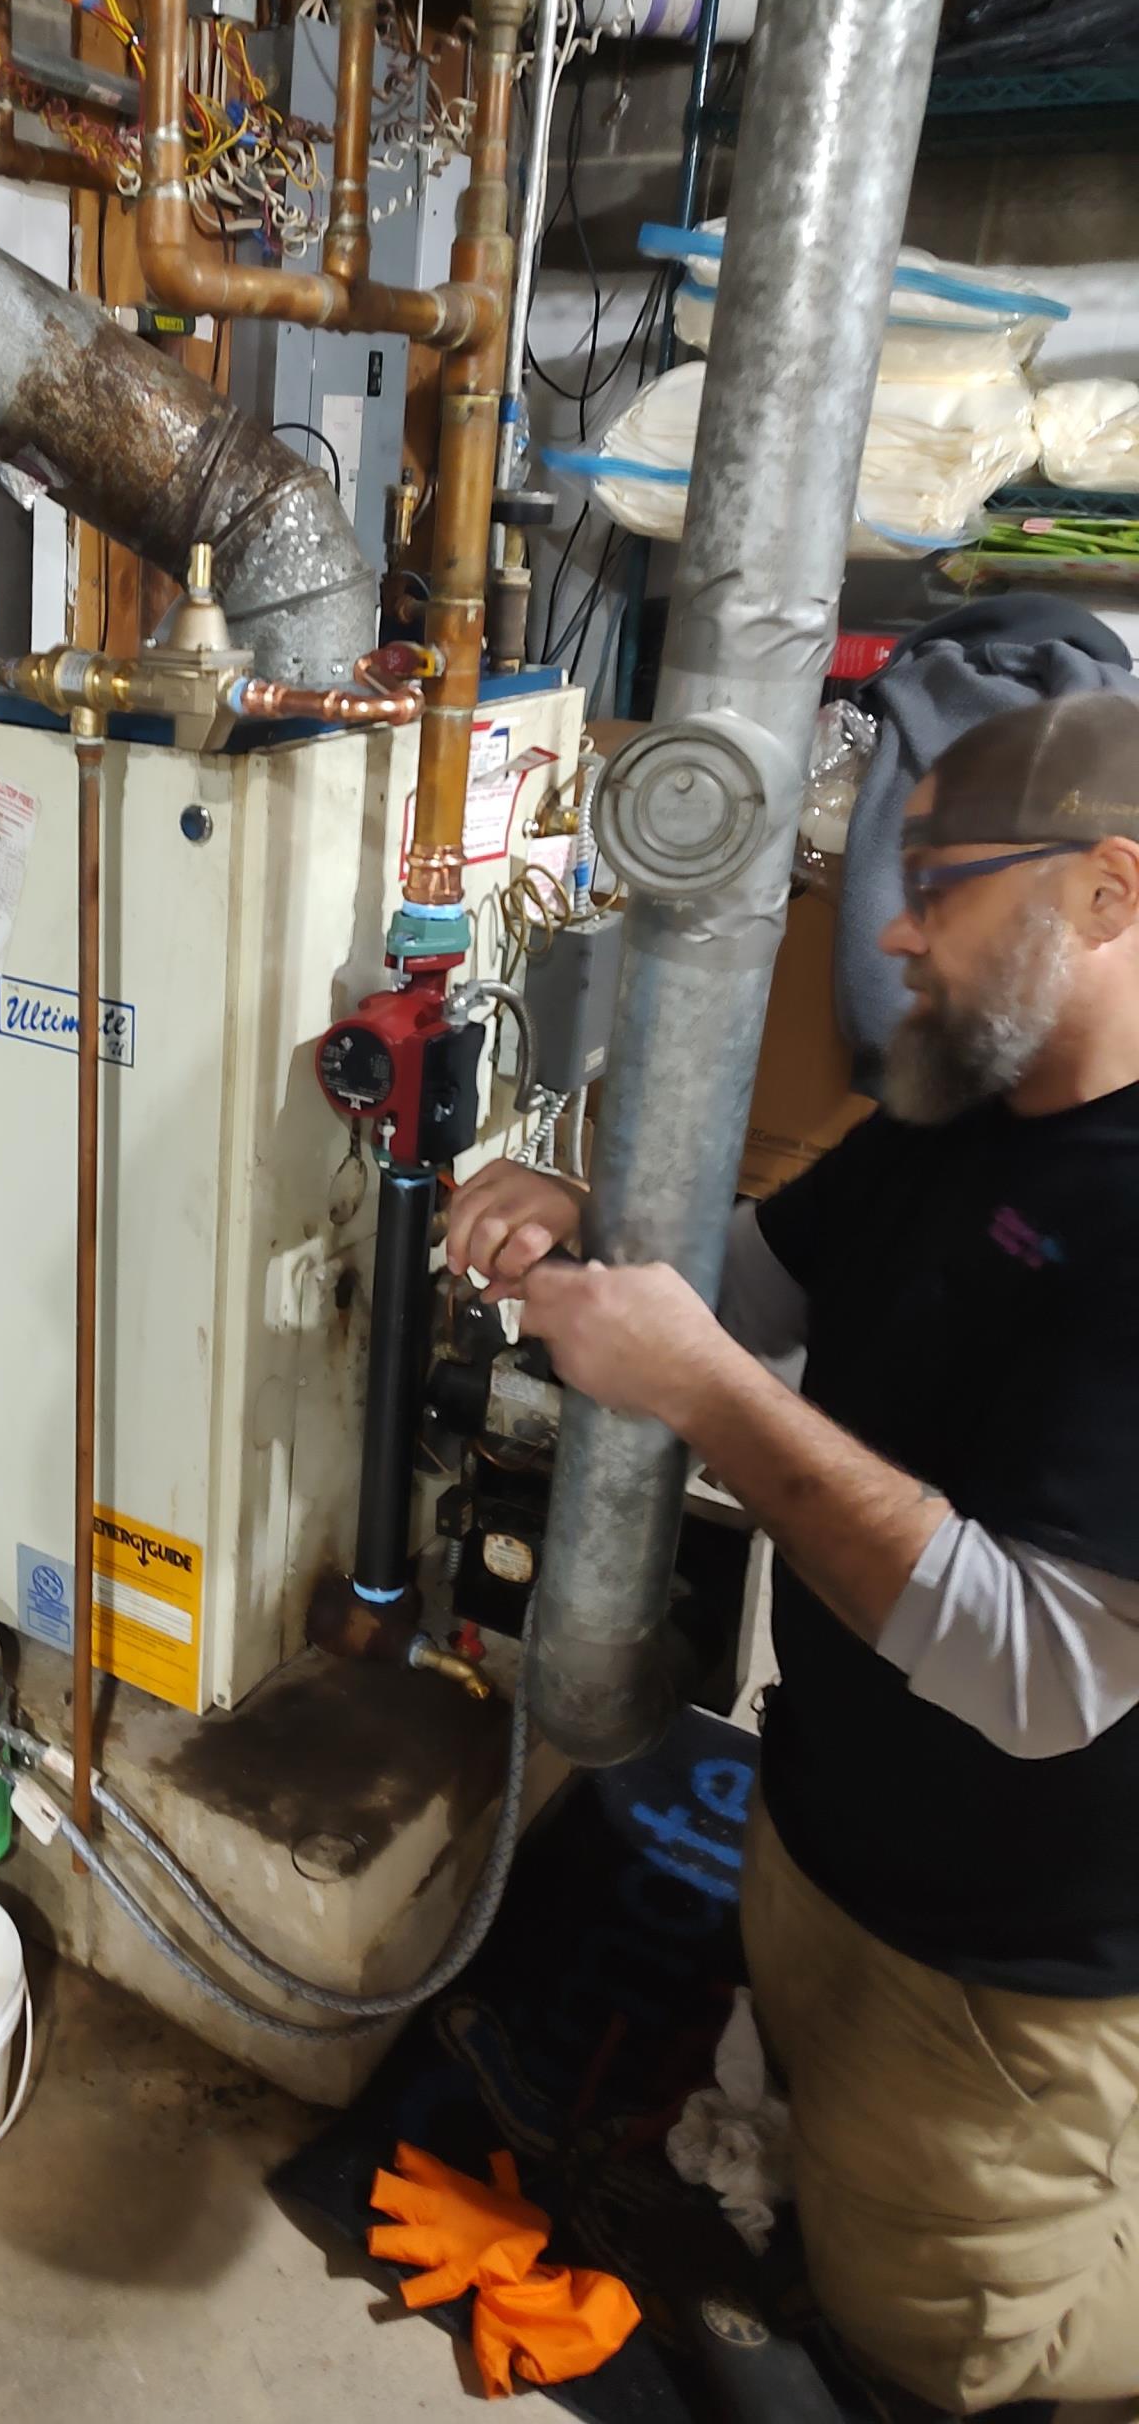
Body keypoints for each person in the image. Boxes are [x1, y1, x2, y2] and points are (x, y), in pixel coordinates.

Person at [443, 693, 1139, 2421]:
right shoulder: (964, 1105)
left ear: (1108, 892)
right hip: (826, 1809)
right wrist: (587, 1235)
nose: (893, 931)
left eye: (943, 885)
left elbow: (1043, 1674)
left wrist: (696, 1386)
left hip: (1002, 1944)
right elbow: (755, 1286)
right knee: (806, 2133)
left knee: (950, 2346)